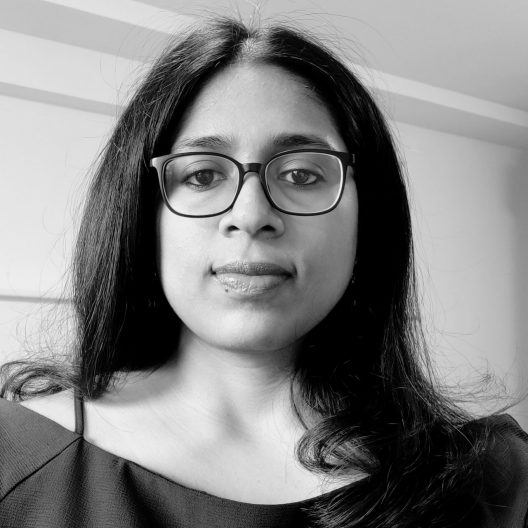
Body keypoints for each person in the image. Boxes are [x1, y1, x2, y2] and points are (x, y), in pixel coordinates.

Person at [0, 16, 527, 528]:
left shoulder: (498, 484)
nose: (251, 215)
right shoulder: (13, 458)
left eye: (301, 174)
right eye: (202, 175)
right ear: (140, 215)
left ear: (367, 217)